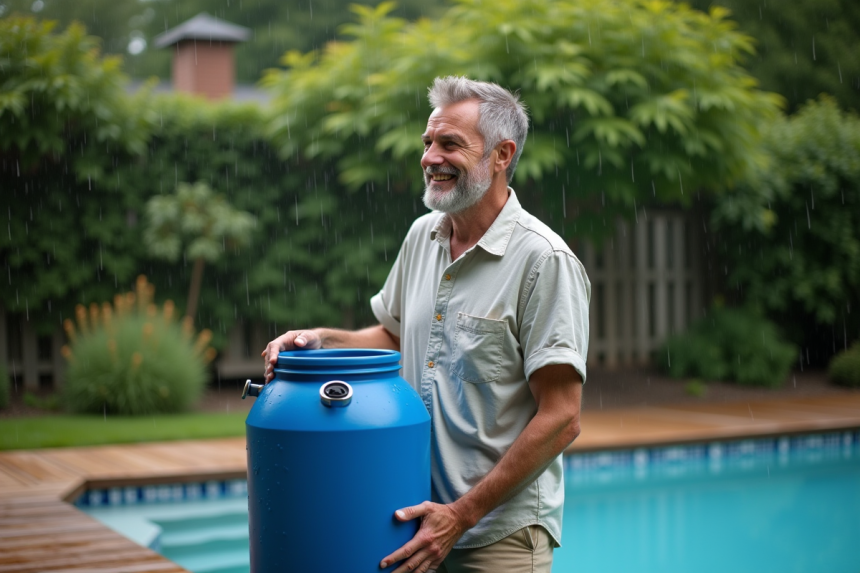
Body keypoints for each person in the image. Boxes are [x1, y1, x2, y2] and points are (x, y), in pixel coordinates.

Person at [262, 76, 590, 573]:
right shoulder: (423, 236)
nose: (430, 157)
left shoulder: (544, 262)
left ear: (501, 155)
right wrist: (316, 340)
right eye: (428, 142)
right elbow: (393, 337)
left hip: (497, 535)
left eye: (450, 143)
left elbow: (562, 416)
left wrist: (461, 515)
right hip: (411, 519)